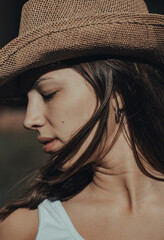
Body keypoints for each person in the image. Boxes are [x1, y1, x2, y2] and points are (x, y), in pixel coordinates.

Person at [0, 0, 164, 239]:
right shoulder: (24, 227)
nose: (29, 120)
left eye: (48, 94)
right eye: (27, 101)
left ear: (118, 91)